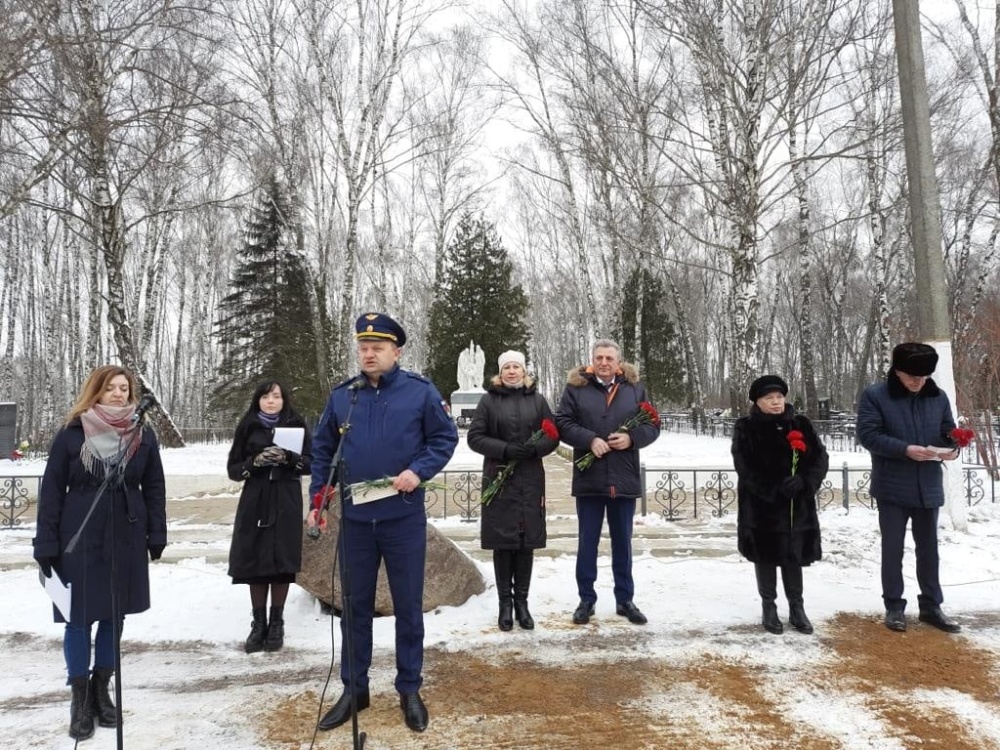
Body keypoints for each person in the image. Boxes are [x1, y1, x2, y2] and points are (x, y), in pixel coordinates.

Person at [311, 312, 458, 734]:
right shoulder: (345, 397)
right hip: (355, 520)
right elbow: (324, 452)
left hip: (402, 518)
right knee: (353, 607)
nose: (369, 354)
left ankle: (409, 687)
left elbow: (444, 439)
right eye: (363, 347)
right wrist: (317, 500)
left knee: (407, 606)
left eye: (377, 347)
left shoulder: (420, 393)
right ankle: (354, 688)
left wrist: (419, 470)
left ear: (396, 351)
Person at [32, 365, 166, 740]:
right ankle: (79, 696)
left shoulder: (143, 433)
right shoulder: (71, 434)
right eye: (112, 388)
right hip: (80, 532)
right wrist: (46, 542)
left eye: (125, 388)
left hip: (126, 531)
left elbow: (154, 486)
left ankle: (101, 689)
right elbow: (53, 491)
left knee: (113, 613)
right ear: (96, 392)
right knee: (77, 616)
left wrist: (156, 532)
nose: (120, 394)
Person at [856, 342, 962, 633]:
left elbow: (947, 430)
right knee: (893, 549)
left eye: (924, 376)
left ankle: (931, 606)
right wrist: (905, 449)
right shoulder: (876, 396)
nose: (919, 382)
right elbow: (868, 435)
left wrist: (953, 445)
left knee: (929, 550)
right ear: (898, 371)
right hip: (892, 485)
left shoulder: (937, 397)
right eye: (912, 376)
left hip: (928, 485)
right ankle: (893, 606)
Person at [555, 339, 660, 626]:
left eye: (609, 358)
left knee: (622, 543)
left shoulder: (634, 388)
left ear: (619, 361)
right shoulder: (576, 388)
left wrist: (631, 438)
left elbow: (652, 423)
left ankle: (625, 599)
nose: (604, 362)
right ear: (592, 360)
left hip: (623, 478)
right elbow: (562, 422)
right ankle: (586, 599)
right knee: (587, 542)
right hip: (590, 479)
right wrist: (589, 439)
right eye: (599, 357)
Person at [467, 350, 559, 632]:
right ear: (500, 372)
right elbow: (475, 437)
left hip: (529, 478)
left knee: (526, 542)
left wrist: (534, 448)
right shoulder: (489, 400)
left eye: (516, 366)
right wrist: (506, 449)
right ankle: (505, 605)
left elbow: (553, 434)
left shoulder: (538, 400)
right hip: (499, 478)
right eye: (506, 367)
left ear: (523, 371)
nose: (511, 371)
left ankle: (522, 603)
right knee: (503, 543)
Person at [731, 375, 829, 635]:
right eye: (769, 398)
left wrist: (805, 482)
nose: (776, 403)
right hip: (761, 508)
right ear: (757, 401)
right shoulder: (746, 427)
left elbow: (820, 457)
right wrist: (773, 490)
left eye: (779, 397)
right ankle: (769, 606)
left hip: (797, 506)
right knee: (765, 556)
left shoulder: (800, 424)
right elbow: (744, 465)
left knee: (794, 556)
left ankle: (797, 607)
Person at [226, 381, 312, 654]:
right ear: (258, 400)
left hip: (286, 498)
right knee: (256, 559)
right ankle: (258, 622)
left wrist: (288, 457)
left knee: (282, 559)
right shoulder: (248, 426)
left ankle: (277, 622)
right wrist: (255, 463)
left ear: (284, 399)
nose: (271, 401)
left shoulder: (296, 424)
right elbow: (234, 470)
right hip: (256, 499)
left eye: (276, 396)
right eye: (265, 396)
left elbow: (312, 462)